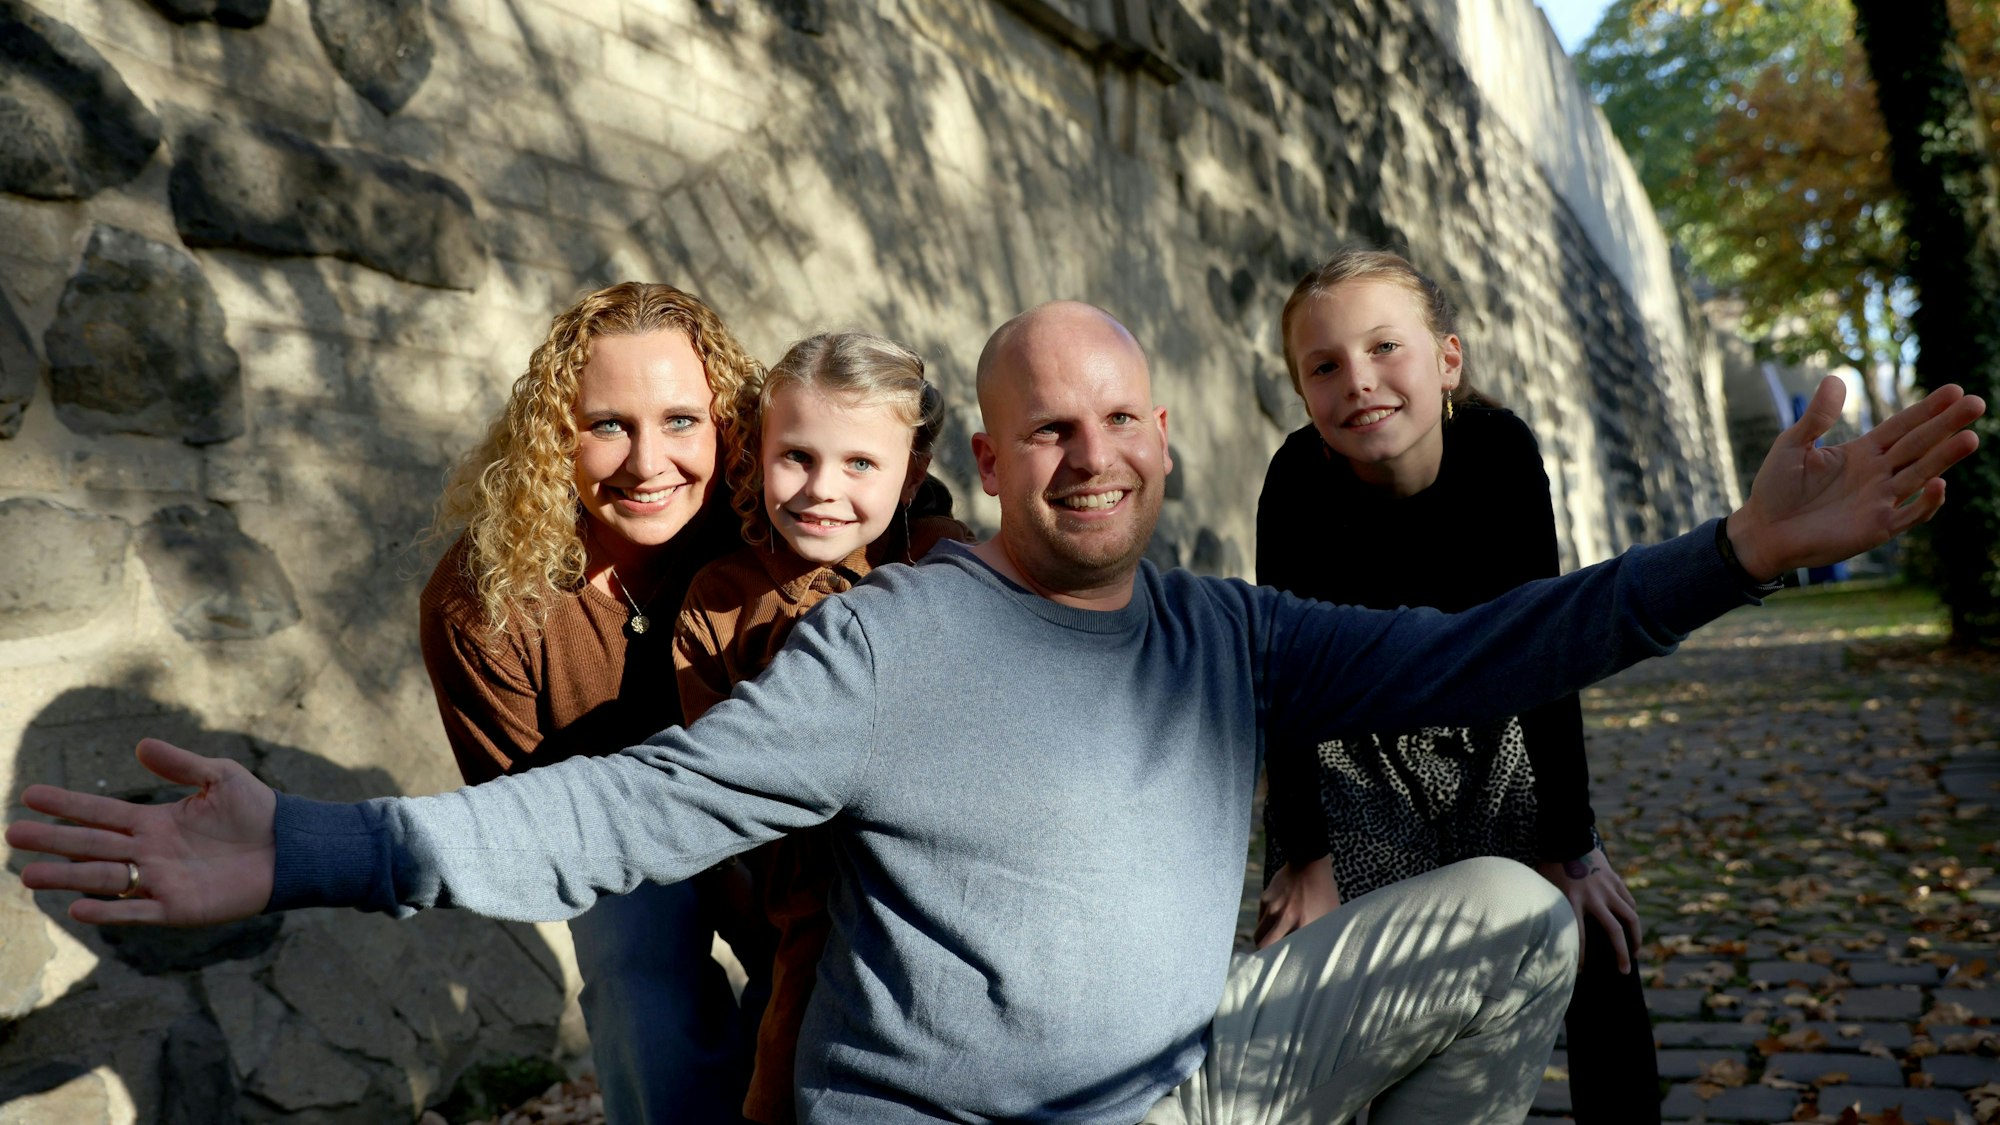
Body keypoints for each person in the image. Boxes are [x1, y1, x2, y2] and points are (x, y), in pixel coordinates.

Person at [7, 302, 1983, 1125]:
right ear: (996, 453)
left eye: (1121, 420)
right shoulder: (893, 640)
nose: (1091, 453)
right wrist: (313, 844)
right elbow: (617, 809)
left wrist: (1737, 550)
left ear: (1166, 441)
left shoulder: (1230, 629)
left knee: (1507, 920)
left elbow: (1488, 643)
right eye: (1050, 427)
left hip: (1179, 1093)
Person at [1252, 247, 1656, 1120]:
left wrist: (1572, 844)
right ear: (1304, 393)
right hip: (1354, 751)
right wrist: (1305, 855)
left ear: (1446, 360)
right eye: (1325, 366)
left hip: (1494, 727)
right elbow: (1283, 675)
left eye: (1383, 348)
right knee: (1322, 963)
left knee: (1596, 930)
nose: (1358, 381)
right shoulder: (1295, 480)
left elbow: (1546, 649)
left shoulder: (1499, 452)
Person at [417, 281, 765, 1124]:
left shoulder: (770, 522)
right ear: (553, 439)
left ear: (728, 426)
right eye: (607, 425)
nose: (648, 463)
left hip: (773, 810)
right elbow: (534, 826)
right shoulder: (482, 603)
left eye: (681, 420)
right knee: (634, 956)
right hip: (611, 840)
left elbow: (898, 496)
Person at [671, 331, 973, 1123]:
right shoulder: (720, 600)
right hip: (807, 912)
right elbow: (723, 775)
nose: (821, 489)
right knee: (790, 1083)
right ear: (757, 454)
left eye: (860, 463)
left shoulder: (948, 568)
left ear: (912, 473)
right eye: (797, 457)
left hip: (944, 902)